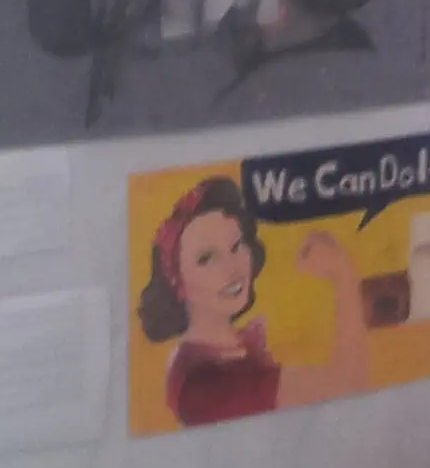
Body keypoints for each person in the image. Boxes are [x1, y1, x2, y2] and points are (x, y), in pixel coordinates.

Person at [135, 174, 382, 426]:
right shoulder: (201, 384)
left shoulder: (229, 348)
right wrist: (343, 275)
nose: (232, 268)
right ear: (178, 283)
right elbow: (347, 388)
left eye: (235, 246)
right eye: (206, 259)